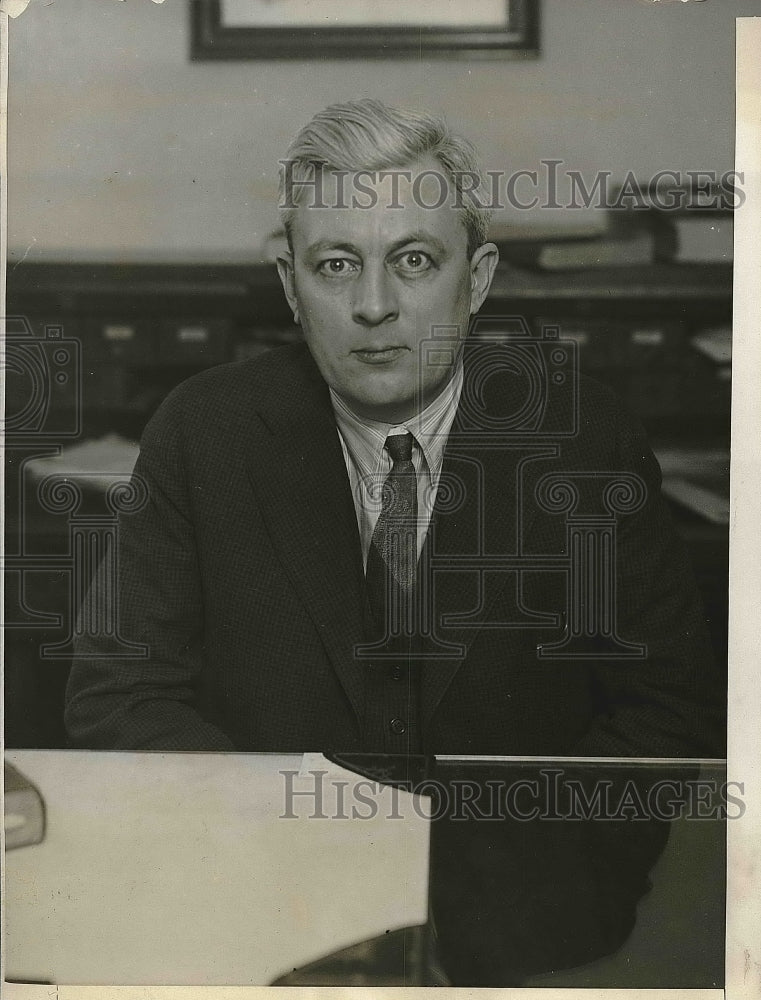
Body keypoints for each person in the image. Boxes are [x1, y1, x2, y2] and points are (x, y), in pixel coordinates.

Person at [64, 98, 724, 987]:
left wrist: (518, 898)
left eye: (413, 261)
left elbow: (664, 713)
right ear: (291, 283)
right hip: (265, 920)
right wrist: (278, 859)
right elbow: (121, 695)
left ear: (477, 278)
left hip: (525, 936)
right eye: (337, 265)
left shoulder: (582, 439)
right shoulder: (205, 432)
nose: (373, 305)